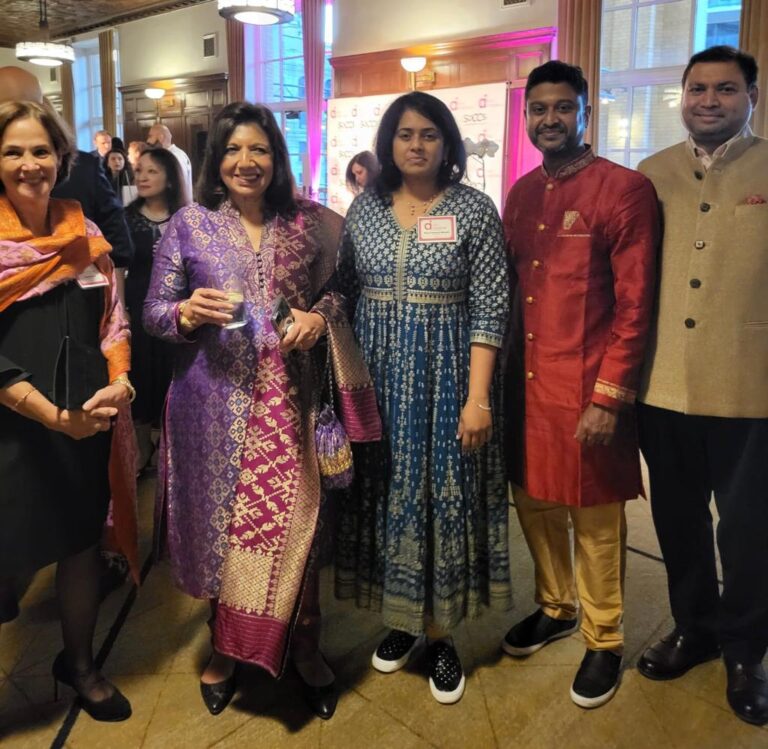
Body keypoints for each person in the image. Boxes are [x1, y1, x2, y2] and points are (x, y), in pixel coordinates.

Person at [144, 101, 379, 720]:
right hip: (211, 408)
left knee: (299, 526)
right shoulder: (189, 225)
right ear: (215, 161)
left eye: (260, 150)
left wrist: (315, 315)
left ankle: (305, 644)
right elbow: (155, 314)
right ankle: (226, 650)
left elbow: (338, 290)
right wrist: (187, 314)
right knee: (225, 529)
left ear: (276, 158)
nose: (247, 162)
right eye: (233, 150)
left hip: (292, 403)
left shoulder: (310, 222)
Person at [335, 91, 511, 705]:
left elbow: (492, 306)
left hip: (446, 385)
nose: (415, 145)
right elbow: (344, 291)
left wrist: (478, 399)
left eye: (429, 134)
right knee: (386, 496)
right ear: (387, 144)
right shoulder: (365, 211)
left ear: (447, 143)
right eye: (405, 134)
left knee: (440, 497)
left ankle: (440, 636)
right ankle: (401, 620)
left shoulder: (474, 209)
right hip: (378, 383)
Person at [500, 61, 658, 708]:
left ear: (587, 112)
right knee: (535, 506)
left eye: (563, 107)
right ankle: (556, 606)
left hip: (588, 388)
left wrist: (610, 396)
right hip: (524, 386)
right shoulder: (521, 193)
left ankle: (604, 637)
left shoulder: (623, 190)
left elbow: (636, 303)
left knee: (595, 518)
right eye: (538, 108)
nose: (549, 119)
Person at [635, 46, 768, 727]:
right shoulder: (651, 174)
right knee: (677, 522)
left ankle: (747, 650)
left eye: (724, 89)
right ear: (681, 96)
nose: (708, 100)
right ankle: (695, 627)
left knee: (749, 532)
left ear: (752, 94)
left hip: (751, 391)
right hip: (663, 386)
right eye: (696, 89)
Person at [0, 100, 136, 721]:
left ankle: (78, 664)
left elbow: (114, 322)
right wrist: (50, 416)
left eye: (40, 150)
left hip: (86, 421)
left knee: (81, 546)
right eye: (12, 151)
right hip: (12, 431)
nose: (29, 164)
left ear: (60, 158)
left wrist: (123, 382)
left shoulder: (86, 232)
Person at [125, 147, 187, 471]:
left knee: (170, 375)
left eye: (152, 171)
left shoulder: (186, 216)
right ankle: (139, 451)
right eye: (139, 172)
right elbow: (117, 267)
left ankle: (168, 450)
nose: (143, 178)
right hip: (137, 305)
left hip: (176, 309)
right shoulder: (127, 217)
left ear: (170, 177)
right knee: (140, 374)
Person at [146, 123, 193, 204]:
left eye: (150, 136)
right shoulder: (175, 154)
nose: (147, 141)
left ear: (161, 137)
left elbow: (175, 185)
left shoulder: (174, 156)